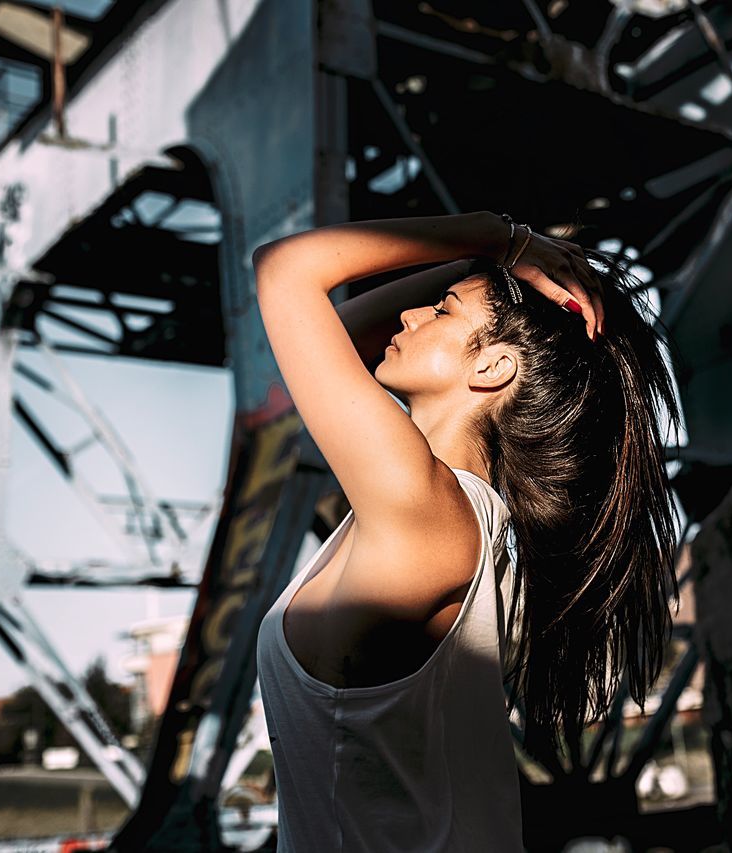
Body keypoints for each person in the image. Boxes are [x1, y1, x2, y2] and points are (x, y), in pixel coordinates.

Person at [252, 211, 682, 852]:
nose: (411, 315)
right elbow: (320, 338)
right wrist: (489, 270)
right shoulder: (454, 520)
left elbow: (284, 272)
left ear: (495, 370)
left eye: (442, 311)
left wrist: (504, 238)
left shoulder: (422, 508)